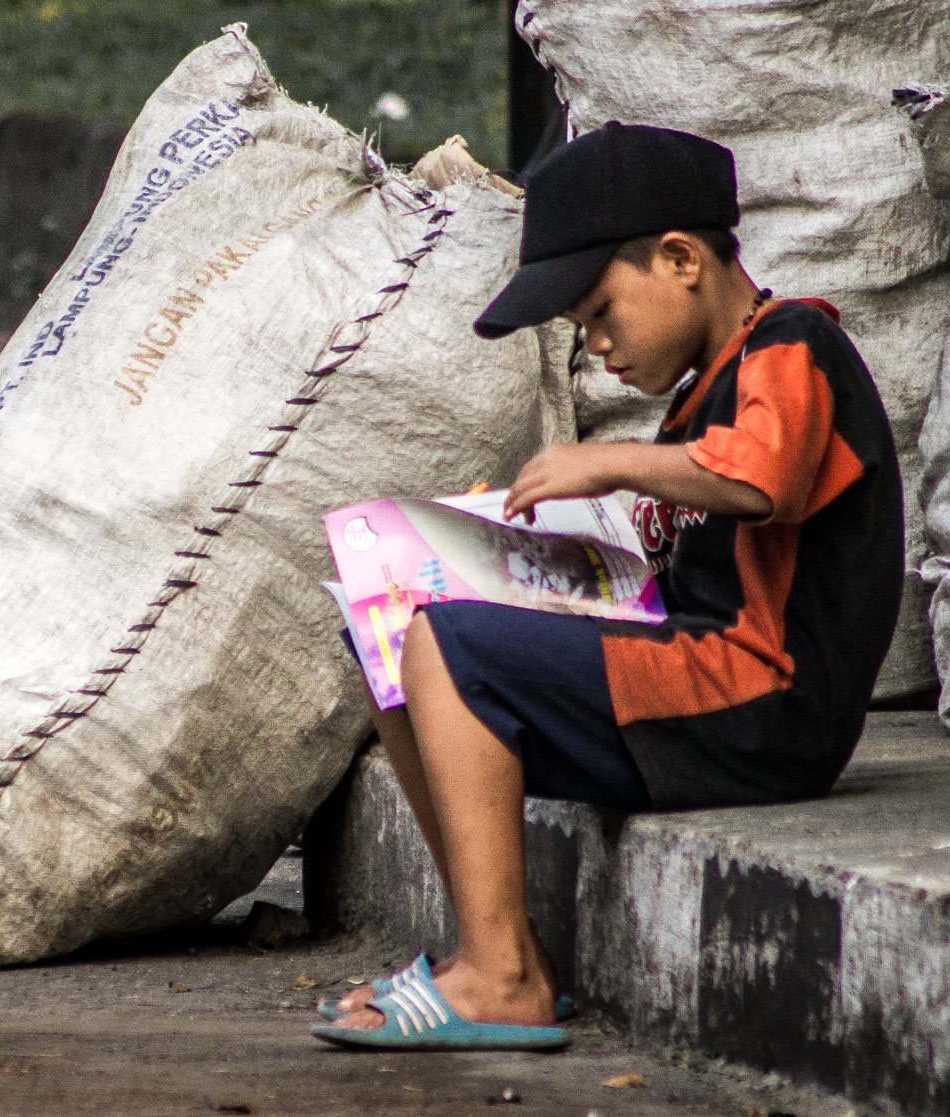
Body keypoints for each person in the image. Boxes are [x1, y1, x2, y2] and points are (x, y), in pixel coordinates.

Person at [311, 122, 904, 1051]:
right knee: (387, 621)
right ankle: (506, 951)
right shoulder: (697, 400)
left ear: (679, 260)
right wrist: (507, 544)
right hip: (695, 680)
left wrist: (608, 463)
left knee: (450, 646)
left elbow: (763, 481)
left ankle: (499, 980)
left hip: (759, 697)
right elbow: (658, 561)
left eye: (599, 312)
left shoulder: (793, 344)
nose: (595, 346)